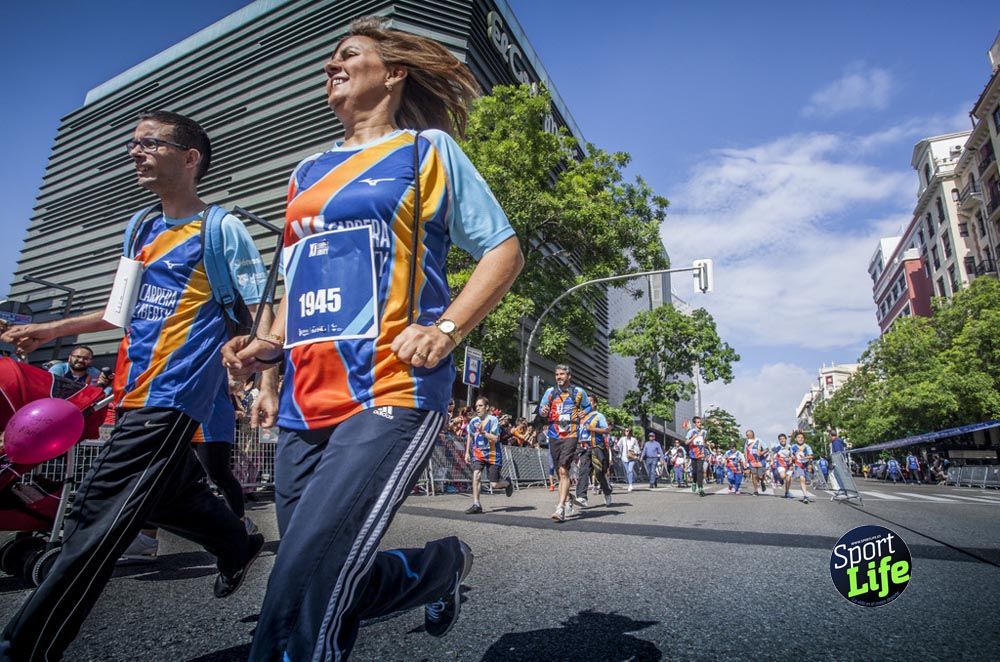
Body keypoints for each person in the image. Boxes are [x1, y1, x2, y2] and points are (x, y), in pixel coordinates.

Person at [222, 17, 523, 660]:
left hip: (391, 386)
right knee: (315, 571)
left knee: (303, 582)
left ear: (392, 73)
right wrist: (265, 353)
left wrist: (446, 328)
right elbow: (298, 278)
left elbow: (503, 251)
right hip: (306, 399)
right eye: (330, 57)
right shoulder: (305, 172)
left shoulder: (426, 150)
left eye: (347, 53)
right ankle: (438, 569)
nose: (331, 65)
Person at [0, 110, 272, 661]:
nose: (136, 151)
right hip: (129, 392)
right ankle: (237, 543)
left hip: (174, 395)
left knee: (95, 513)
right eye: (134, 143)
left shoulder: (221, 229)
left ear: (190, 157)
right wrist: (51, 328)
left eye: (150, 142)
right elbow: (119, 312)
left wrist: (264, 380)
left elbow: (264, 308)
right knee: (171, 495)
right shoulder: (141, 227)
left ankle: (25, 646)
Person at [538, 364, 591, 522]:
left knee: (563, 470)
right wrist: (544, 411)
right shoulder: (550, 392)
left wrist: (584, 412)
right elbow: (541, 410)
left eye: (562, 374)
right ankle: (569, 498)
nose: (559, 377)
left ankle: (560, 508)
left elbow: (588, 407)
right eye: (557, 374)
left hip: (571, 433)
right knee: (560, 473)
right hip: (554, 434)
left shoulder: (579, 392)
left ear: (569, 376)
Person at [464, 396, 513, 514]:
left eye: (480, 406)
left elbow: (496, 438)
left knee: (494, 484)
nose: (478, 408)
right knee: (476, 475)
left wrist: (483, 432)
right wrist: (467, 452)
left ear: (486, 407)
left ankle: (507, 483)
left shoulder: (493, 420)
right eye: (476, 406)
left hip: (492, 454)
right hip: (478, 453)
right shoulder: (473, 421)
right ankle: (476, 504)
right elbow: (470, 435)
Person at [575, 409, 613, 507]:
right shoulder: (581, 417)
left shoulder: (598, 416)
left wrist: (592, 429)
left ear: (594, 404)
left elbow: (607, 430)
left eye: (590, 402)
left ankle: (607, 491)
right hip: (585, 448)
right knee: (583, 472)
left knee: (599, 472)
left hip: (597, 447)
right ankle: (582, 497)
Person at [685, 417, 709, 497]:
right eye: (698, 422)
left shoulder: (704, 432)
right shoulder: (691, 432)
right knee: (694, 471)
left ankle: (700, 488)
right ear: (694, 423)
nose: (700, 423)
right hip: (693, 454)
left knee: (700, 470)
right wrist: (694, 437)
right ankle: (694, 482)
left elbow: (704, 442)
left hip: (701, 454)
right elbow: (686, 442)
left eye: (700, 422)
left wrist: (705, 448)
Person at [790, 431, 814, 503]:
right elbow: (792, 456)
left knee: (806, 479)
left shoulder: (807, 447)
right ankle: (805, 496)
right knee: (802, 478)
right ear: (796, 439)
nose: (800, 439)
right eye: (799, 437)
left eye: (802, 438)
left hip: (806, 464)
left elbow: (811, 456)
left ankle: (805, 495)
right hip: (798, 465)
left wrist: (805, 457)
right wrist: (793, 458)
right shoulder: (793, 447)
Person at [743, 429, 767, 496]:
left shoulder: (759, 440)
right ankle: (755, 491)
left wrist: (761, 453)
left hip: (760, 461)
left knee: (760, 476)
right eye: (747, 435)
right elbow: (745, 451)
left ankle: (762, 482)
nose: (747, 436)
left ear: (752, 434)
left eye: (748, 435)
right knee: (754, 475)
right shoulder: (746, 442)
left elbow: (767, 449)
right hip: (752, 461)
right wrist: (746, 461)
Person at [617, 428, 640, 492]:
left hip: (632, 457)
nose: (626, 432)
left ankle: (630, 484)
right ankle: (632, 480)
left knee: (630, 470)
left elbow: (638, 448)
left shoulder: (634, 439)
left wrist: (634, 451)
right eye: (625, 431)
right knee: (628, 472)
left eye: (627, 431)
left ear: (630, 432)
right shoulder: (622, 439)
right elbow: (617, 446)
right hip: (624, 457)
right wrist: (617, 448)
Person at [773, 434, 793, 498]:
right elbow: (772, 453)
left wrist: (791, 459)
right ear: (779, 440)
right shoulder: (777, 447)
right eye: (780, 439)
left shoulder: (789, 447)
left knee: (788, 479)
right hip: (780, 463)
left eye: (783, 438)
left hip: (789, 464)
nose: (782, 440)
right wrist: (772, 461)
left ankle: (787, 492)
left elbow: (792, 455)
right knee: (783, 476)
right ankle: (780, 479)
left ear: (786, 439)